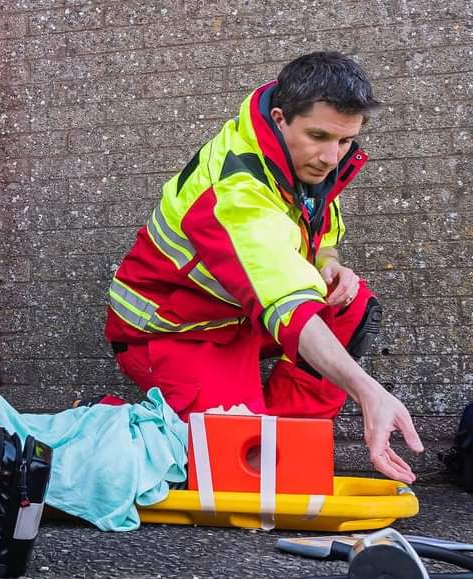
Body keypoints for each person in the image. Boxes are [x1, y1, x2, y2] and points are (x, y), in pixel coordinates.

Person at [103, 51, 423, 483]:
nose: (332, 157)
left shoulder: (305, 162)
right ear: (279, 117)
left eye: (345, 141)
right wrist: (368, 393)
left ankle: (282, 439)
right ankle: (113, 430)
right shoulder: (237, 188)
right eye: (319, 136)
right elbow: (286, 305)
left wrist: (329, 266)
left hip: (238, 319)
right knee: (241, 472)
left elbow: (323, 238)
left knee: (351, 305)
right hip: (176, 331)